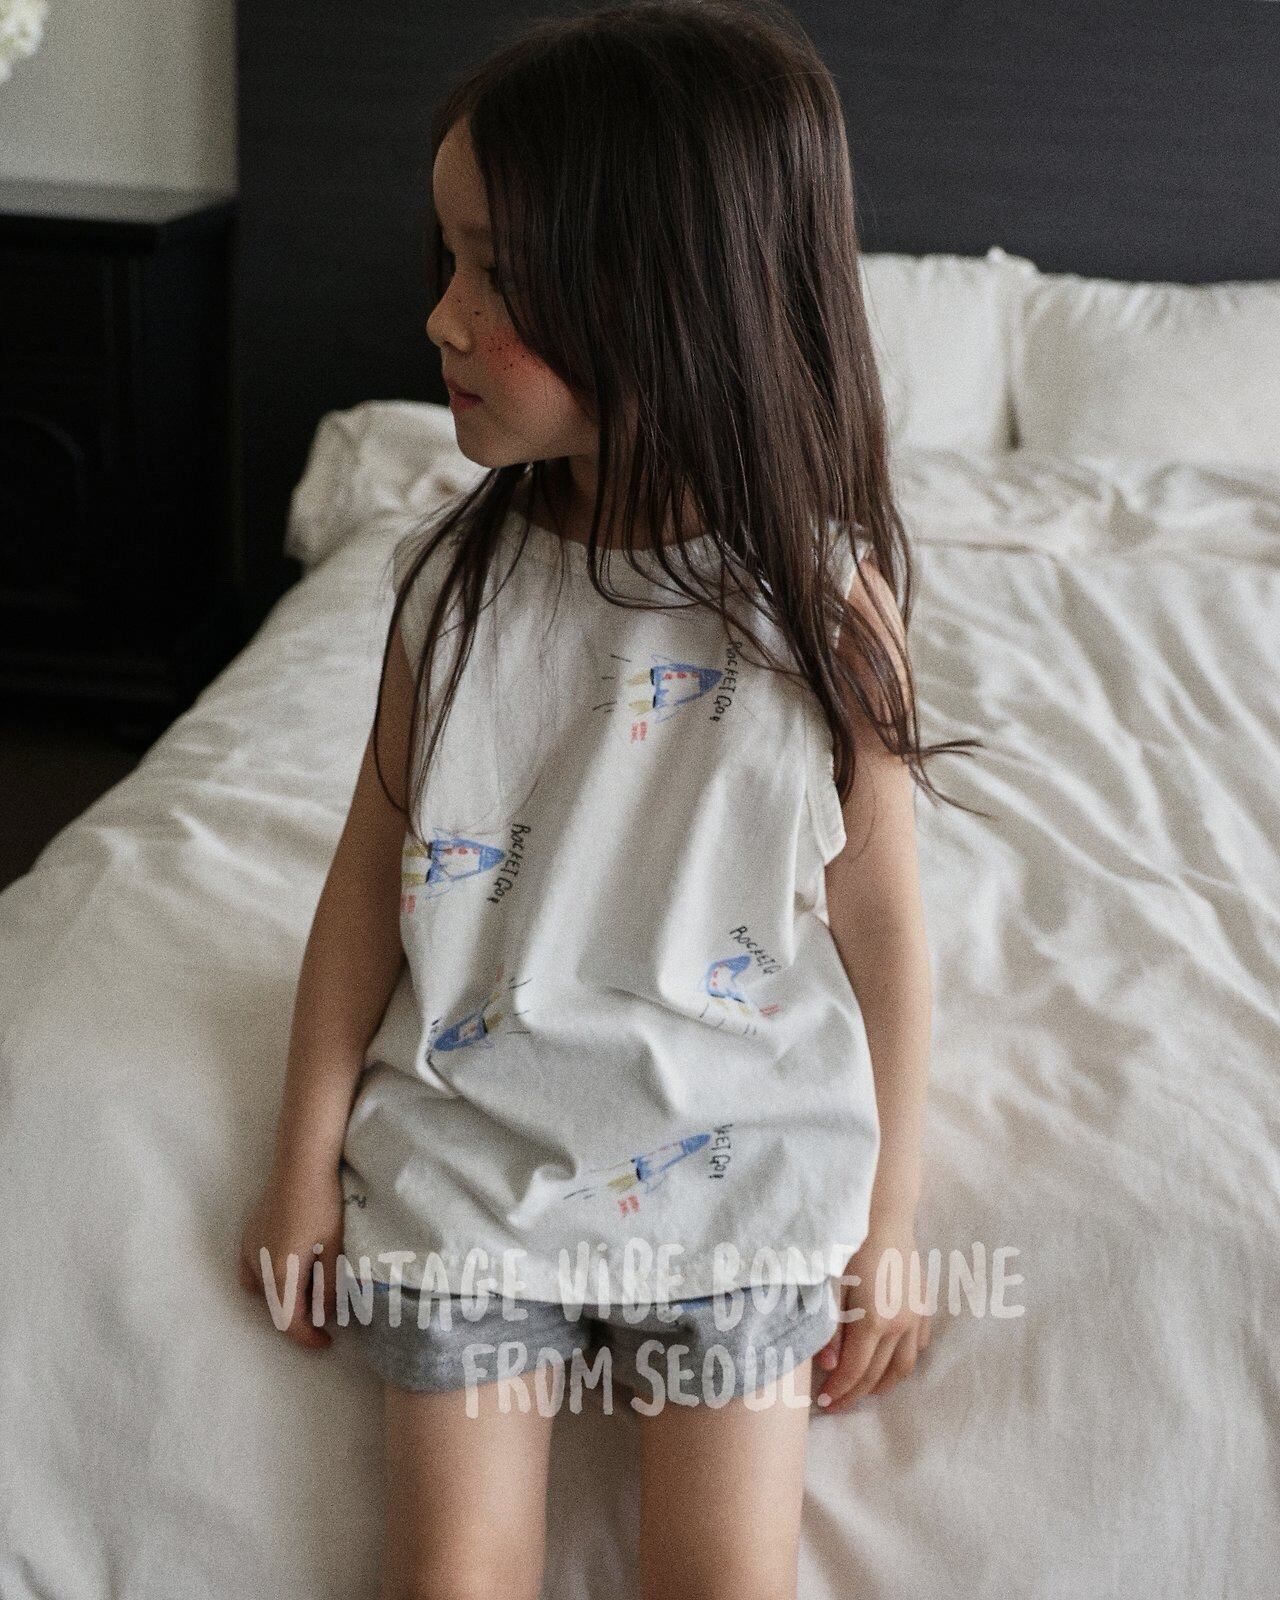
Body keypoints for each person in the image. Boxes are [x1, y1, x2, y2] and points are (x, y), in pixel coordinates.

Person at [238, 4, 984, 1595]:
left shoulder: (823, 615)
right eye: (448, 259)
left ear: (667, 298)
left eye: (497, 273)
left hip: (743, 1165)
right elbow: (369, 879)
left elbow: (886, 935)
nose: (441, 319)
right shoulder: (448, 590)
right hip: (471, 1159)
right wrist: (305, 1160)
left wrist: (892, 1218)